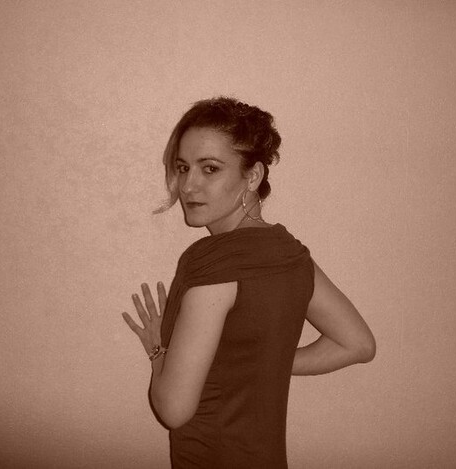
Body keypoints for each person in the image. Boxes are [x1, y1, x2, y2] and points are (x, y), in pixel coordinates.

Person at [122, 97, 376, 468]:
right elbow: (357, 344)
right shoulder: (290, 254)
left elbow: (174, 410)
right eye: (182, 167)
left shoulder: (213, 264)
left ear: (253, 176)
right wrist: (262, 362)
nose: (188, 185)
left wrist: (159, 352)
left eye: (210, 168)